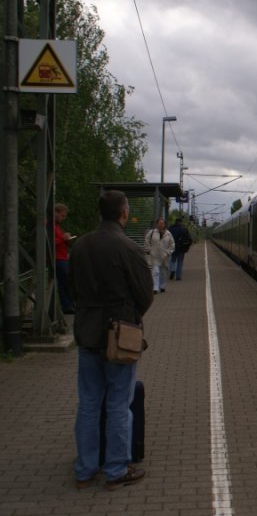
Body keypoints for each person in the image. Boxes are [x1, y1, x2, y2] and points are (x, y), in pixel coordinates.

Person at [69, 190, 154, 490]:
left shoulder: (79, 246)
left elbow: (73, 289)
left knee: (89, 403)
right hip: (119, 335)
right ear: (123, 214)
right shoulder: (127, 247)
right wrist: (128, 315)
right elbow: (145, 294)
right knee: (119, 403)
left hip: (87, 332)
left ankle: (85, 470)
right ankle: (116, 470)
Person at [54, 203, 76, 314]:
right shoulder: (50, 225)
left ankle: (70, 303)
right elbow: (50, 242)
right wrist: (63, 239)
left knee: (67, 282)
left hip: (63, 257)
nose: (63, 218)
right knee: (64, 282)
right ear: (55, 213)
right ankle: (67, 305)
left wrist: (67, 240)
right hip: (58, 258)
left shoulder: (57, 226)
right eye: (62, 215)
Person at [144, 218, 174, 293]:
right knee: (156, 271)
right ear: (157, 224)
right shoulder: (152, 232)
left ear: (164, 224)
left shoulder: (168, 233)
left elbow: (172, 245)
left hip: (164, 256)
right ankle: (155, 288)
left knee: (163, 272)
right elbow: (147, 240)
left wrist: (168, 252)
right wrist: (149, 250)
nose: (161, 225)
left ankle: (162, 286)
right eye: (159, 223)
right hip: (154, 255)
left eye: (162, 223)